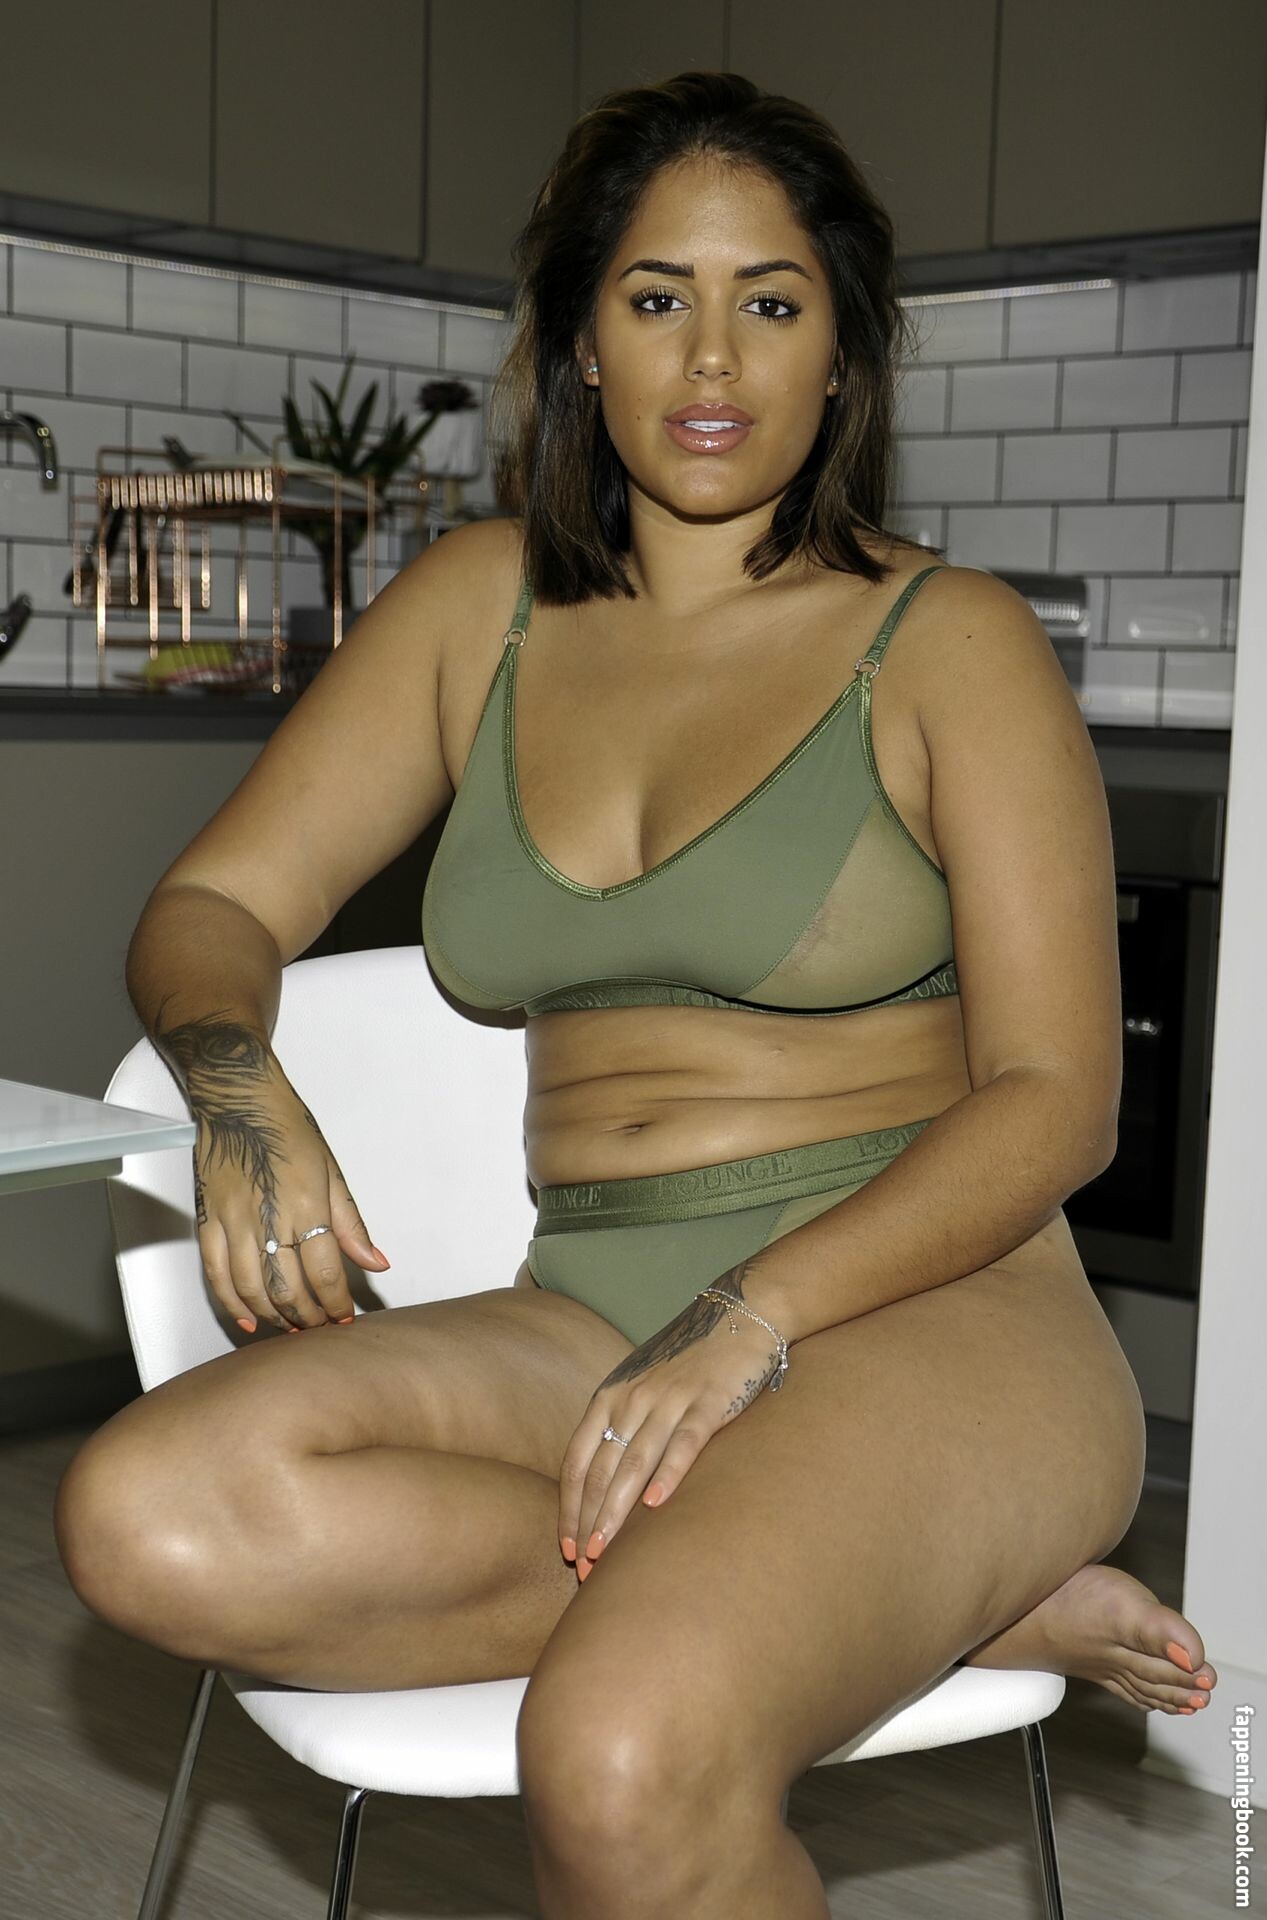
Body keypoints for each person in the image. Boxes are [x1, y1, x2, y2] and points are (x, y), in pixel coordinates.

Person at [55, 69, 1215, 1919]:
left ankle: (851, 1578)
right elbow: (218, 899)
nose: (714, 355)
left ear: (845, 356)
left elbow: (1060, 1100)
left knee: (612, 1757)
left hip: (932, 1315)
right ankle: (892, 1600)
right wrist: (236, 1086)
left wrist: (754, 1315)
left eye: (775, 301)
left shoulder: (952, 644)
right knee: (149, 1518)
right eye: (659, 294)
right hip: (594, 1296)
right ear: (583, 342)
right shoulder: (478, 608)